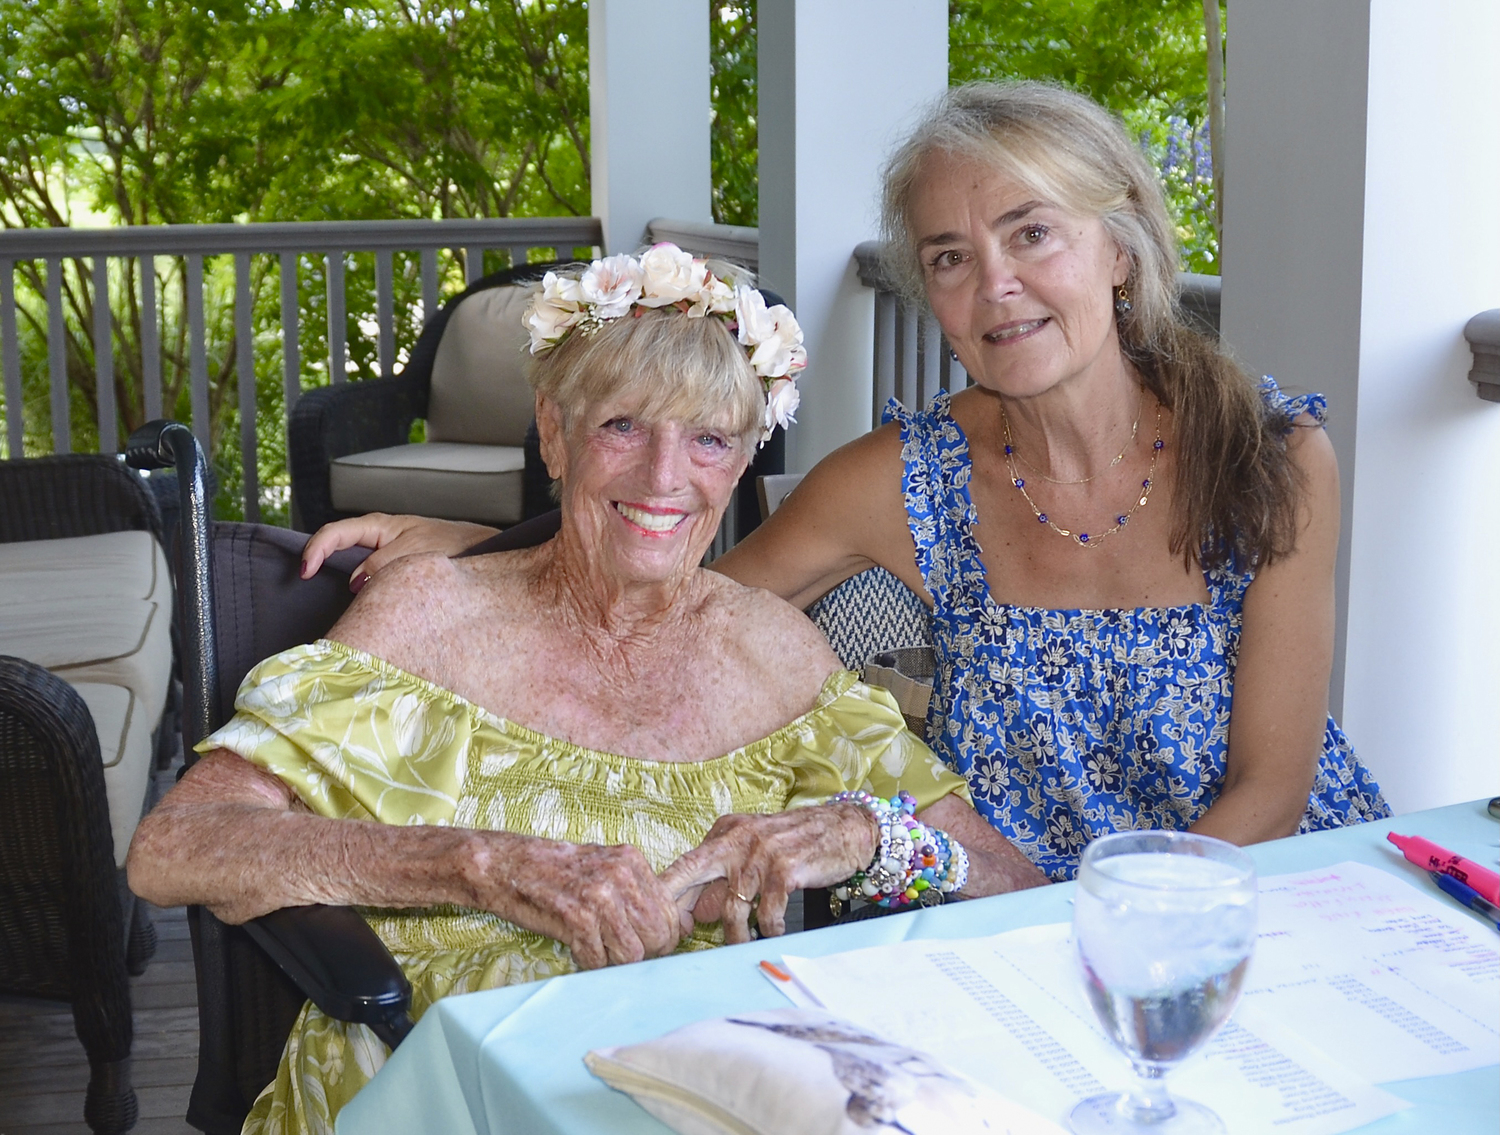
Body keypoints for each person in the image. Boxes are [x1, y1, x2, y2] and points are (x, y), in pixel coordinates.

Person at [304, 82, 1389, 883]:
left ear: (1120, 249)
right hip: (992, 913)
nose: (996, 286)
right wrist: (474, 551)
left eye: (1033, 233)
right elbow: (686, 591)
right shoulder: (904, 478)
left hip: (1255, 898)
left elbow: (1274, 788)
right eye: (952, 257)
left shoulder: (1273, 456)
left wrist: (1113, 928)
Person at [127, 244, 1044, 1135]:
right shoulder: (432, 614)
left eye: (710, 439)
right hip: (438, 1078)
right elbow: (174, 845)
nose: (663, 476)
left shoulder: (774, 650)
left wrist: (871, 832)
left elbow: (1015, 882)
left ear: (741, 463)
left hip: (702, 1082)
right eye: (623, 425)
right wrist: (478, 864)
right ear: (556, 434)